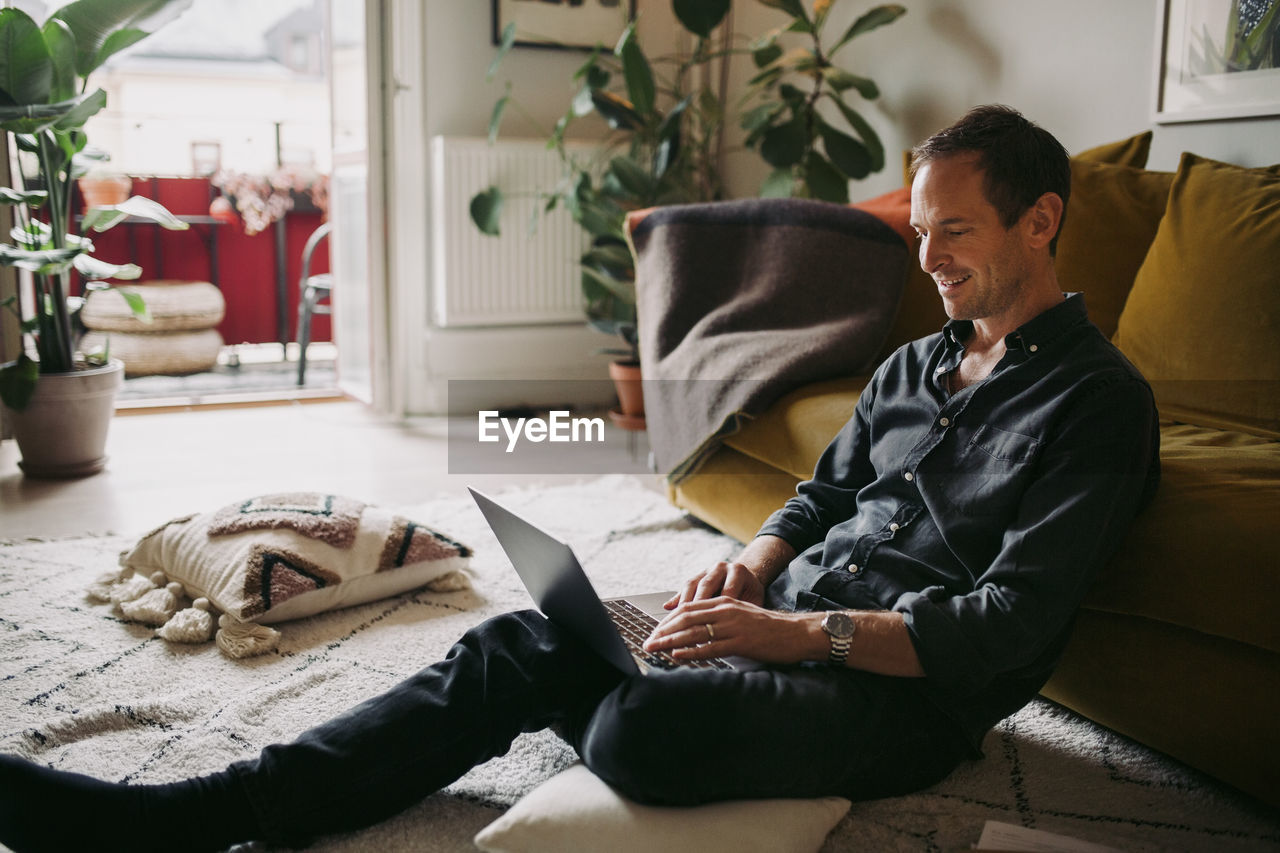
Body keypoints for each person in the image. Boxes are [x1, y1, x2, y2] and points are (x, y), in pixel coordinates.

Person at [0, 105, 1160, 853]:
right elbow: (814, 501)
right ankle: (209, 812)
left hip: (899, 697)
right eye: (918, 232)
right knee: (521, 636)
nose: (928, 259)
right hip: (782, 618)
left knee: (647, 729)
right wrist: (747, 571)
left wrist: (794, 638)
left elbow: (1002, 628)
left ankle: (610, 690)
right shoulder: (914, 361)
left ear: (1041, 220)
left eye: (951, 232)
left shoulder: (1096, 406)